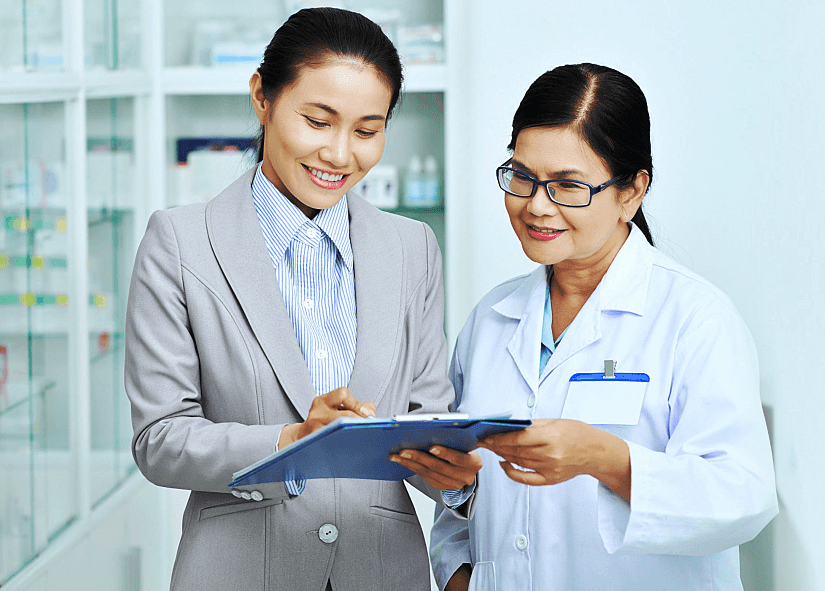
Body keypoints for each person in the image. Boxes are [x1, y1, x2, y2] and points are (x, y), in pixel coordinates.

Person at [393, 63, 779, 590]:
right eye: (522, 176)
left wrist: (607, 460)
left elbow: (743, 496)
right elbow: (465, 501)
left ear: (631, 192)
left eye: (567, 186)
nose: (535, 206)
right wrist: (460, 572)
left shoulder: (694, 318)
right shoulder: (491, 319)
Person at [125, 7, 453, 591]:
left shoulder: (412, 247)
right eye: (318, 121)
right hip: (236, 570)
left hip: (381, 570)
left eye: (367, 130)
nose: (340, 154)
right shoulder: (180, 244)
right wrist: (290, 443)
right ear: (263, 98)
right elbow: (161, 440)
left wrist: (463, 470)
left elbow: (424, 418)